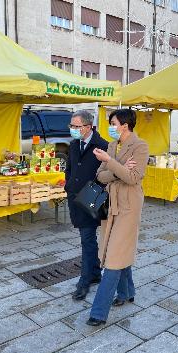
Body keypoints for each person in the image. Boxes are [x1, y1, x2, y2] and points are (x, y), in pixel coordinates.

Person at [86, 109, 149, 326]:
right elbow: (100, 175)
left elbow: (132, 178)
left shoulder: (140, 146)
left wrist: (111, 164)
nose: (111, 127)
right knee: (117, 249)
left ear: (124, 124)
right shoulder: (112, 146)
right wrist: (116, 167)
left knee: (113, 256)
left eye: (113, 123)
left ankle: (98, 312)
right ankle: (126, 292)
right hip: (110, 203)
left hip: (129, 206)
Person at [65, 110, 108, 300]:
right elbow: (70, 168)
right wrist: (68, 186)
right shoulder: (74, 144)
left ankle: (84, 281)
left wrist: (96, 192)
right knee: (87, 238)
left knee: (87, 238)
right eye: (71, 126)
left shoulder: (103, 145)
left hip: (92, 196)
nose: (73, 129)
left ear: (88, 127)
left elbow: (107, 174)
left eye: (76, 126)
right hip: (74, 196)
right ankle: (95, 272)